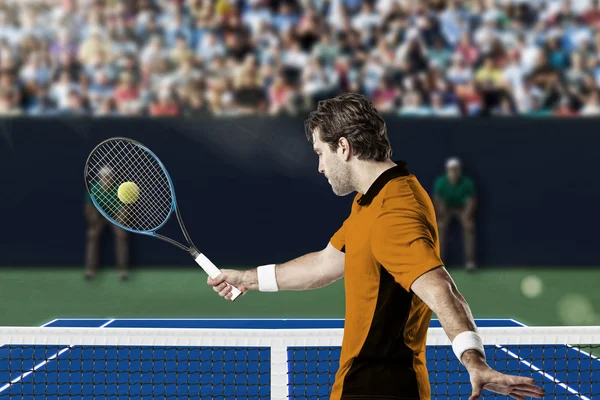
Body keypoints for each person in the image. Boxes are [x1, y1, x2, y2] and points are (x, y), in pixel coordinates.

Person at [207, 93, 544, 400]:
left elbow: (442, 288)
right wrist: (247, 279)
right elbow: (324, 265)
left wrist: (474, 360)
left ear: (343, 147)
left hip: (378, 386)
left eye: (320, 154)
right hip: (367, 383)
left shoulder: (394, 211)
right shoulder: (372, 199)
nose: (320, 166)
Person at [84, 166, 130, 280]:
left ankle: (122, 270)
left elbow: (124, 208)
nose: (107, 180)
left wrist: (119, 221)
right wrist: (94, 220)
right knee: (92, 235)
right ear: (100, 178)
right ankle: (90, 269)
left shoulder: (120, 190)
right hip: (99, 216)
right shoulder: (93, 189)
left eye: (109, 178)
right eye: (104, 178)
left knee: (121, 235)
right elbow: (88, 209)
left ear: (113, 179)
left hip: (114, 216)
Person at [433, 157, 477, 271]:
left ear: (459, 170)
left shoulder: (466, 182)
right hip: (446, 209)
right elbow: (437, 200)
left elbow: (471, 201)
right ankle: (440, 263)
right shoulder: (441, 182)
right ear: (447, 171)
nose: (454, 172)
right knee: (440, 228)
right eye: (452, 169)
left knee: (469, 227)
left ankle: (470, 261)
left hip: (461, 209)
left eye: (456, 169)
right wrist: (441, 217)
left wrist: (467, 217)